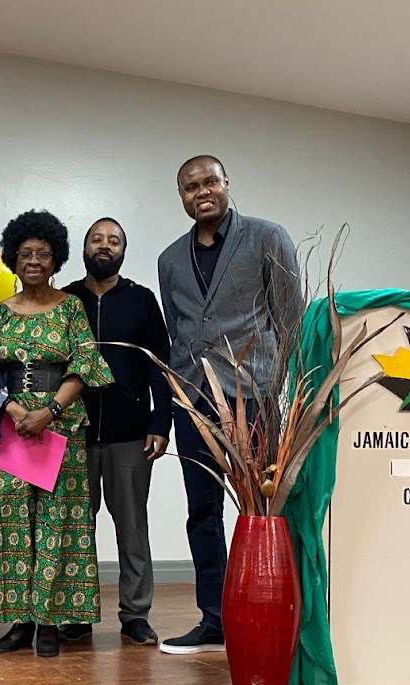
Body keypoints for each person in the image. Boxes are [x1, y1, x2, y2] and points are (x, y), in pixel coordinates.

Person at [156, 156, 304, 655]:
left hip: (251, 396)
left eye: (209, 182)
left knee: (262, 507)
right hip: (193, 397)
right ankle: (214, 620)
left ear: (226, 184)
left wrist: (280, 388)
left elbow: (290, 318)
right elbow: (179, 327)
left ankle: (267, 610)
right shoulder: (169, 259)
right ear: (181, 195)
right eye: (190, 186)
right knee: (201, 510)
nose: (201, 192)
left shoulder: (267, 237)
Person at [0, 210, 114, 658]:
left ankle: (50, 620)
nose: (33, 261)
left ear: (56, 260)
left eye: (43, 254)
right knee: (13, 522)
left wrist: (50, 411)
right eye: (25, 254)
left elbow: (84, 366)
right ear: (13, 260)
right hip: (12, 428)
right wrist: (16, 409)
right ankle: (20, 621)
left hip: (61, 428)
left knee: (59, 522)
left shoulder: (71, 307)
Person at [61, 218, 171, 647]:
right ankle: (76, 612)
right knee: (74, 529)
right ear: (84, 247)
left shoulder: (141, 300)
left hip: (130, 434)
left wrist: (160, 422)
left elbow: (160, 367)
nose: (104, 246)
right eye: (97, 239)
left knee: (132, 528)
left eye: (114, 241)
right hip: (75, 434)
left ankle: (136, 615)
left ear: (123, 251)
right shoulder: (66, 300)